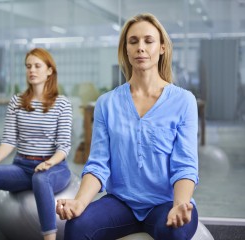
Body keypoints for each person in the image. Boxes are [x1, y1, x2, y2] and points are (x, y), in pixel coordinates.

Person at [57, 13, 199, 240]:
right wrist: (79, 202)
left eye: (148, 41)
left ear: (162, 47)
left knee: (175, 232)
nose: (140, 47)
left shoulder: (184, 101)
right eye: (133, 41)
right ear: (125, 49)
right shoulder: (107, 103)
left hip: (164, 203)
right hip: (121, 203)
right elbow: (98, 164)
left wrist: (180, 204)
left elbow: (185, 166)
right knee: (77, 227)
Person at [0, 48, 72, 240]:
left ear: (49, 71)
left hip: (54, 169)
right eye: (28, 66)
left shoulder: (62, 103)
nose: (32, 70)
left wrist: (50, 163)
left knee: (40, 178)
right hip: (23, 166)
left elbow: (64, 146)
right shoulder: (17, 102)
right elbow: (9, 140)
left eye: (37, 66)